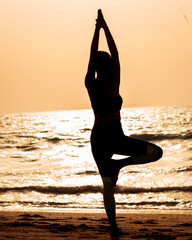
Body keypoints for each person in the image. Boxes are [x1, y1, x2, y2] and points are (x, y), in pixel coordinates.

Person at [85, 9, 163, 236]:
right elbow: (115, 52)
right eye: (110, 64)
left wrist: (96, 30)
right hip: (114, 137)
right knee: (155, 152)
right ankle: (120, 164)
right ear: (108, 67)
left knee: (107, 184)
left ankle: (113, 227)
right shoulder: (112, 84)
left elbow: (92, 57)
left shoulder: (90, 83)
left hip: (98, 138)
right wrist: (104, 26)